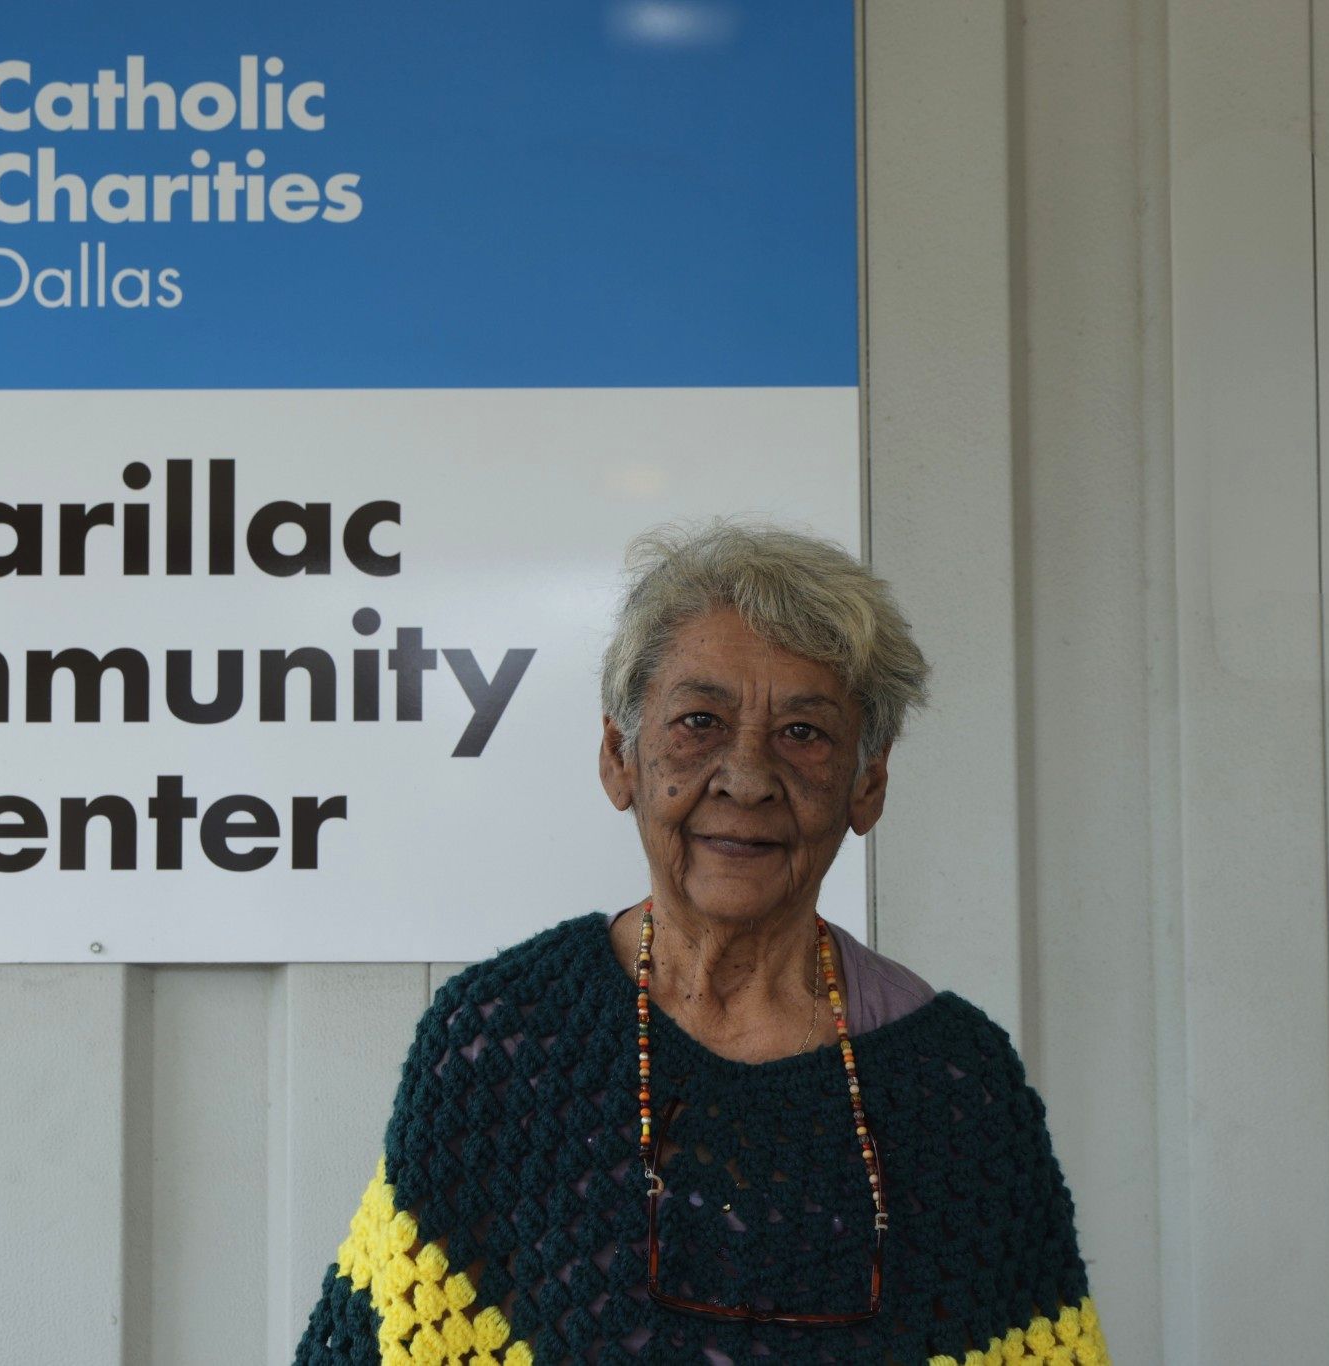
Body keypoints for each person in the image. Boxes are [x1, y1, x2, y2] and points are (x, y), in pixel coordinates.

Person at [293, 521, 1110, 1365]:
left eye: (804, 733)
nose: (747, 778)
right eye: (699, 721)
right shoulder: (504, 1042)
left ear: (868, 782)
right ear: (620, 757)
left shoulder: (954, 1085)